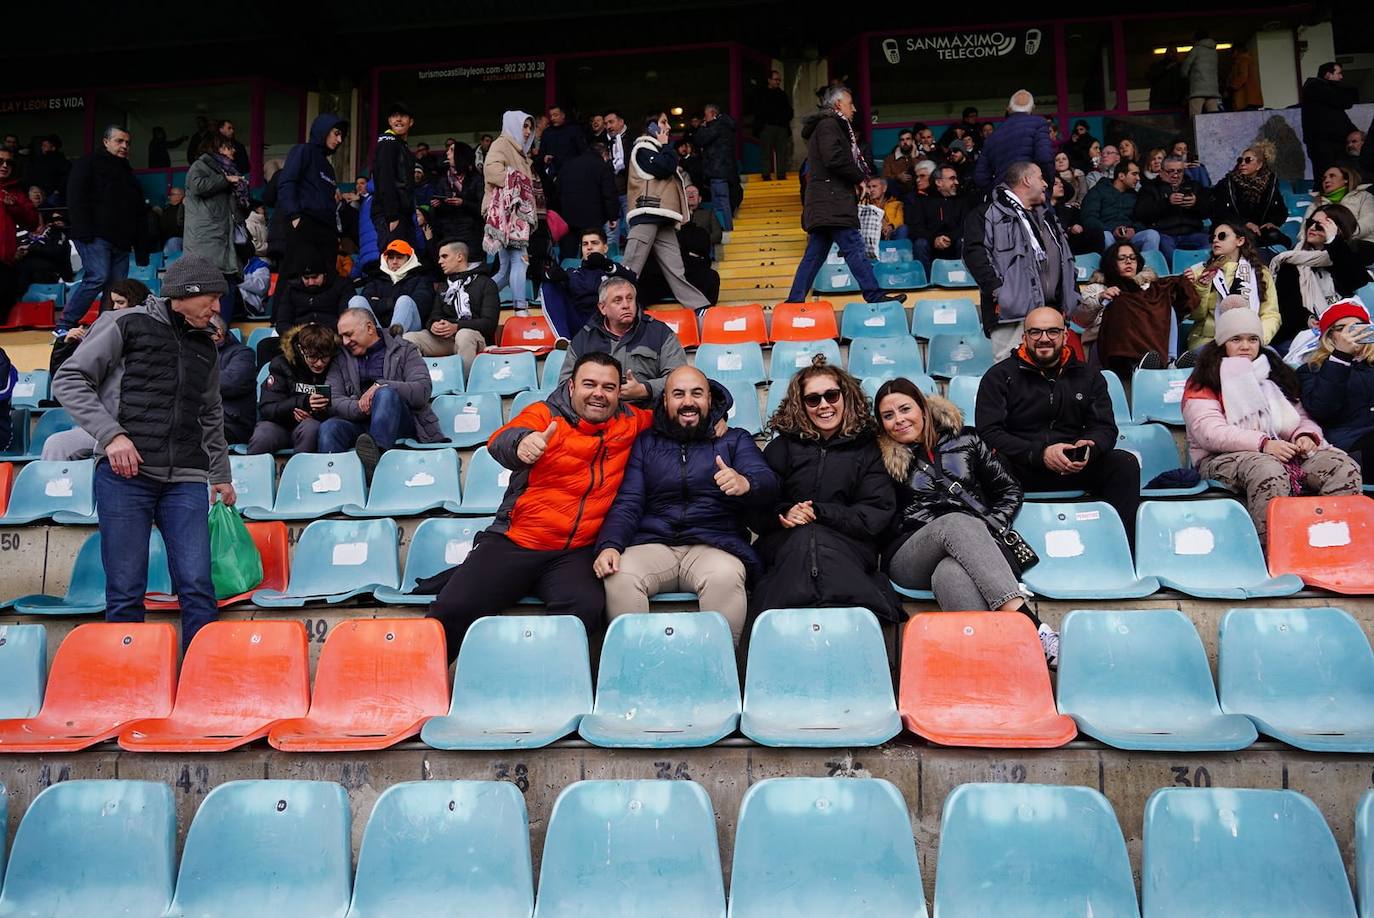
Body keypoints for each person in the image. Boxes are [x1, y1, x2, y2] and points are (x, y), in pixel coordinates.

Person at [52, 255, 236, 651]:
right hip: (125, 477)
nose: (217, 308)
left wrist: (221, 474)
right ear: (185, 295)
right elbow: (68, 379)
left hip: (185, 477)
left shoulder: (206, 345)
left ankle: (201, 681)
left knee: (198, 587)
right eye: (212, 298)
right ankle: (128, 682)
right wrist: (111, 435)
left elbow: (210, 413)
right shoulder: (125, 322)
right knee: (125, 590)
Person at [427, 352, 655, 659]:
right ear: (571, 387)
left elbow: (681, 407)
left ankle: (552, 686)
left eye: (608, 387)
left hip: (576, 551)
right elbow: (501, 440)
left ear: (618, 393)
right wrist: (522, 443)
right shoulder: (545, 414)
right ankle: (414, 687)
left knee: (585, 608)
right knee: (453, 608)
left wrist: (717, 416)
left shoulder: (630, 421)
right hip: (517, 540)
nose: (598, 393)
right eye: (589, 384)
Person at [875, 378, 1060, 664]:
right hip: (911, 554)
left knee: (951, 574)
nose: (898, 420)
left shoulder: (967, 439)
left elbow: (1009, 490)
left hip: (972, 547)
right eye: (888, 416)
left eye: (904, 409)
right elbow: (879, 512)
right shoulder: (881, 459)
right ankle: (1028, 626)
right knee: (955, 522)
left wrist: (983, 528)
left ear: (923, 408)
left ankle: (989, 670)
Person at [594, 366, 779, 642]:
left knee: (725, 576)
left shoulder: (734, 439)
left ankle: (719, 669)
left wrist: (745, 483)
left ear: (709, 400)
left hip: (714, 543)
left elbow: (768, 481)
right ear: (665, 401)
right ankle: (636, 670)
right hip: (653, 544)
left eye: (697, 393)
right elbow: (629, 502)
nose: (688, 402)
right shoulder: (646, 443)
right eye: (678, 394)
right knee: (619, 576)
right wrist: (609, 544)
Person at [1183, 298, 1360, 542]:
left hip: (1284, 451)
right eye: (1237, 339)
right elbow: (1210, 432)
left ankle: (1334, 543)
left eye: (1252, 339)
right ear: (1223, 343)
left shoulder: (1275, 373)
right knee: (1268, 470)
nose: (1246, 346)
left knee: (1342, 467)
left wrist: (1305, 436)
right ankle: (1277, 549)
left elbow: (1301, 417)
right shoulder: (1204, 380)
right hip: (1221, 458)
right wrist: (1264, 444)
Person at [749, 357, 904, 620]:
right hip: (788, 545)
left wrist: (820, 512)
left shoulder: (868, 449)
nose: (824, 405)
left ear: (846, 396)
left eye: (831, 395)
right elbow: (757, 509)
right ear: (801, 405)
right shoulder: (781, 447)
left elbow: (875, 514)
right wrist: (785, 514)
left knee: (824, 552)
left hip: (848, 546)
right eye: (813, 399)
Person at [976, 307, 1141, 545]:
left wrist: (1090, 448)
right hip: (1023, 467)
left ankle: (1121, 549)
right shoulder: (999, 377)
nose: (1044, 338)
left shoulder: (1090, 376)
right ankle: (1000, 547)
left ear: (1065, 335)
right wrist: (1040, 454)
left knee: (1123, 463)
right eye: (1035, 332)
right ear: (1024, 337)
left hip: (1074, 466)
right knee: (991, 465)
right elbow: (990, 432)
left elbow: (1105, 428)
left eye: (1053, 331)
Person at [784, 87, 905, 308]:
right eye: (851, 103)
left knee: (814, 256)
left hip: (825, 202)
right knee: (854, 248)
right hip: (832, 201)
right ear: (838, 104)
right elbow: (834, 158)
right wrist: (859, 178)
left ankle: (793, 302)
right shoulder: (830, 125)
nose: (855, 109)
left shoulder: (826, 126)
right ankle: (874, 294)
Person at [964, 161, 1080, 360]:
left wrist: (1071, 293)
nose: (1045, 184)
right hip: (1012, 315)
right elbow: (975, 255)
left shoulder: (1047, 217)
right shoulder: (986, 213)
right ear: (1026, 180)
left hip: (1051, 314)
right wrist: (1000, 292)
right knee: (1012, 378)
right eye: (1041, 178)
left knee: (1053, 382)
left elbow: (1065, 261)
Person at [320, 307, 442, 476]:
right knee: (329, 427)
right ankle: (334, 482)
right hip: (359, 422)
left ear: (369, 328)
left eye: (349, 334)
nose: (345, 341)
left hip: (400, 422)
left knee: (385, 394)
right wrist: (361, 407)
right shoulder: (341, 357)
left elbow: (422, 390)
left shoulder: (404, 349)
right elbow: (332, 398)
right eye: (342, 337)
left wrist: (380, 386)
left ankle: (376, 468)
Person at [60, 126, 152, 335]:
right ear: (105, 141)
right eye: (119, 141)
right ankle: (64, 325)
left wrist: (141, 250)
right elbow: (75, 197)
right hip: (94, 236)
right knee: (98, 277)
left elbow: (138, 213)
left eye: (127, 143)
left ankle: (106, 330)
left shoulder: (128, 175)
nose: (124, 146)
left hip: (122, 241)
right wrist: (83, 231)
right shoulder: (87, 164)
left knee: (117, 289)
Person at [621, 112, 711, 313]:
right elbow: (664, 167)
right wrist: (665, 144)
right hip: (647, 214)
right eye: (663, 123)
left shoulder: (657, 149)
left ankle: (699, 307)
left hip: (663, 217)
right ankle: (610, 313)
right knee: (629, 269)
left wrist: (664, 146)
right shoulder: (643, 147)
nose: (668, 127)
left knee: (675, 268)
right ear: (651, 127)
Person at [558, 275, 687, 407]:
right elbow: (565, 385)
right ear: (603, 308)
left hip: (648, 415)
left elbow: (680, 379)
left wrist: (645, 389)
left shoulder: (660, 333)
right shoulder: (584, 338)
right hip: (598, 416)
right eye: (617, 300)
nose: (626, 305)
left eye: (630, 299)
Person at [1075, 240, 1199, 375]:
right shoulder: (1097, 288)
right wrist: (1101, 297)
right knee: (1121, 305)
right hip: (1105, 348)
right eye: (1122, 258)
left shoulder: (1148, 289)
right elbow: (1080, 319)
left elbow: (1180, 315)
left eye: (1133, 258)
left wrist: (1188, 285)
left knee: (1166, 306)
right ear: (1111, 262)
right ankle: (1138, 364)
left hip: (1150, 346)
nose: (1129, 262)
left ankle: (1170, 362)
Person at [1273, 205, 1371, 361]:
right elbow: (1287, 306)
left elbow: (1357, 280)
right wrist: (1310, 319)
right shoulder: (1291, 261)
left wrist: (1333, 242)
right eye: (1310, 222)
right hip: (1306, 332)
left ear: (1337, 230)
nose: (1312, 227)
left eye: (1320, 225)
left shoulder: (1344, 258)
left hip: (1344, 329)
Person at [1298, 300, 1374, 483]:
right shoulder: (1310, 370)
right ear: (1329, 336)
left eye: (1357, 327)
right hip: (1349, 445)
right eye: (1342, 328)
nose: (1351, 333)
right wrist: (1341, 358)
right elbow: (1322, 409)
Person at [1182, 223, 1280, 355]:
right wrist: (1202, 287)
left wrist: (1258, 339)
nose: (1216, 240)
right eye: (1213, 237)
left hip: (1250, 342)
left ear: (1240, 241)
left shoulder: (1260, 272)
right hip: (1209, 341)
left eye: (1222, 236)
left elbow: (1270, 314)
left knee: (1273, 360)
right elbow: (1196, 315)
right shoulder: (1200, 271)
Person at [403, 239, 499, 370]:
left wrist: (457, 326)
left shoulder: (486, 283)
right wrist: (434, 325)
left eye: (444, 256)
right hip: (446, 340)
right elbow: (433, 316)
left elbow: (489, 324)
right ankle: (422, 383)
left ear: (459, 256)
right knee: (409, 338)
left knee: (463, 334)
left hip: (475, 339)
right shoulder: (444, 286)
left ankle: (466, 386)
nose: (440, 261)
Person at [185, 133, 249, 325]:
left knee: (226, 285)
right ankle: (210, 330)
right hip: (206, 241)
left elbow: (237, 211)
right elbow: (197, 186)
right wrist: (226, 180)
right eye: (229, 147)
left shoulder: (228, 171)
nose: (234, 150)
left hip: (225, 241)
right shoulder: (201, 166)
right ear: (217, 148)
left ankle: (222, 330)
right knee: (212, 286)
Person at [277, 114, 348, 279]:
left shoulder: (329, 168)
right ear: (323, 130)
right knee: (297, 279)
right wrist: (295, 216)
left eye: (342, 136)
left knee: (325, 281)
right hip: (305, 225)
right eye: (336, 133)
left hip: (326, 232)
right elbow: (287, 183)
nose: (339, 140)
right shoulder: (302, 151)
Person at [248, 322, 336, 455]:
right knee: (263, 434)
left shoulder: (337, 364)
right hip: (279, 425)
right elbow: (267, 408)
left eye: (324, 357)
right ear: (301, 349)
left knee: (311, 427)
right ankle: (251, 474)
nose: (319, 363)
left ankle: (301, 474)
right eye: (312, 357)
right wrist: (302, 403)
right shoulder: (281, 364)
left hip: (312, 426)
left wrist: (316, 414)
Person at [482, 110, 536, 316]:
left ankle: (475, 301)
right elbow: (492, 172)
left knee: (505, 272)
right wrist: (520, 183)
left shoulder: (518, 150)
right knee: (520, 261)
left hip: (512, 215)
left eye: (530, 127)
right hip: (506, 215)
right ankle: (520, 310)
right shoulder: (502, 144)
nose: (528, 131)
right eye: (524, 126)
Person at [541, 226, 639, 338]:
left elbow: (634, 280)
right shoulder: (572, 273)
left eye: (594, 243)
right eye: (585, 244)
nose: (589, 247)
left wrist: (606, 264)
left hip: (609, 324)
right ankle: (563, 340)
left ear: (605, 247)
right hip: (580, 326)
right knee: (549, 284)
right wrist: (549, 275)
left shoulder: (613, 269)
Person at [1210, 144, 1291, 250]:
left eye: (1248, 160)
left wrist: (1273, 222)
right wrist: (1245, 224)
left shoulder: (1270, 184)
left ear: (1259, 165)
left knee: (1277, 237)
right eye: (1240, 160)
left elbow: (1281, 211)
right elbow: (1221, 214)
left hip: (1260, 231)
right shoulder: (1227, 184)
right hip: (1234, 229)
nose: (1242, 164)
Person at [974, 90, 1054, 193]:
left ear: (1009, 108)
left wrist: (996, 191)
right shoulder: (1038, 123)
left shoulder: (993, 136)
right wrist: (1047, 187)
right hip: (1031, 193)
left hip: (1004, 197)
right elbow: (1045, 158)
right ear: (1033, 108)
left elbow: (980, 177)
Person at [1135, 155, 1211, 261]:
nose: (1175, 175)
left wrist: (1196, 203)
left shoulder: (1194, 186)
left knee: (1209, 243)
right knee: (1168, 251)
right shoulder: (1150, 188)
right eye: (1170, 171)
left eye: (1179, 171)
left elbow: (1209, 211)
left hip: (1192, 232)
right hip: (1165, 233)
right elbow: (1141, 214)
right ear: (1161, 172)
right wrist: (1167, 203)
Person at [1081, 158, 1160, 254]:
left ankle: (1148, 268)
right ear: (1121, 176)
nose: (1138, 178)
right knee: (1105, 236)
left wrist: (1134, 230)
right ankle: (1112, 267)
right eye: (1134, 174)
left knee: (1152, 235)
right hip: (1108, 235)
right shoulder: (1098, 191)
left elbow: (1142, 219)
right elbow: (1089, 218)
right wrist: (1113, 230)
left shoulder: (1135, 195)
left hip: (1130, 238)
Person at [352, 239, 432, 332]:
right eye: (391, 258)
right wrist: (391, 303)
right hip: (378, 329)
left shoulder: (421, 279)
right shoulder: (377, 279)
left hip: (411, 327)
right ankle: (381, 340)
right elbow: (366, 300)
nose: (394, 262)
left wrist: (381, 303)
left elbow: (420, 307)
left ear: (409, 259)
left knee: (404, 300)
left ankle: (393, 342)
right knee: (356, 300)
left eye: (399, 257)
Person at [554, 143, 619, 259]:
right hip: (593, 219)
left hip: (568, 219)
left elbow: (556, 191)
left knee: (568, 256)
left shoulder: (568, 165)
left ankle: (567, 274)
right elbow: (609, 193)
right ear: (604, 154)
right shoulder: (602, 166)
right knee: (593, 255)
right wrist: (612, 216)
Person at [1302, 165, 1374, 263]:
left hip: (1360, 243)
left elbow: (1370, 222)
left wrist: (1340, 235)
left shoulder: (1363, 196)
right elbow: (1304, 230)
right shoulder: (1316, 204)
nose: (1326, 180)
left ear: (1346, 179)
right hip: (1323, 246)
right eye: (1324, 178)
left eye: (1332, 176)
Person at [371, 102, 418, 254]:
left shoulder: (400, 145)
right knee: (394, 263)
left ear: (411, 122)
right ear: (389, 122)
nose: (398, 119)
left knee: (405, 263)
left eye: (403, 116)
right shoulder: (388, 143)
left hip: (400, 214)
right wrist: (392, 216)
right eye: (394, 116)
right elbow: (385, 180)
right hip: (391, 214)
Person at [1301, 62, 1359, 179]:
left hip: (1330, 144)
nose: (1341, 77)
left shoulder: (1325, 93)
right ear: (1328, 75)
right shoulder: (1315, 87)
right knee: (1327, 177)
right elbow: (1343, 100)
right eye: (1339, 74)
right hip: (1324, 146)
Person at [0, 147, 38, 321]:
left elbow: (32, 221)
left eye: (9, 162)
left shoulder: (16, 192)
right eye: (0, 161)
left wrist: (14, 207)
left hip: (5, 263)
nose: (5, 165)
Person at [908, 164, 968, 271]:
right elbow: (916, 229)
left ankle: (963, 280)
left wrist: (950, 238)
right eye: (952, 179)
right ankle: (924, 284)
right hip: (931, 244)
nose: (956, 182)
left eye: (956, 179)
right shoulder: (922, 201)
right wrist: (934, 239)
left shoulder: (962, 200)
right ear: (938, 182)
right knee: (920, 244)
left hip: (954, 243)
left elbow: (966, 225)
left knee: (964, 242)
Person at [429, 141, 484, 257]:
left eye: (452, 150)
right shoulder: (443, 180)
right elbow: (437, 211)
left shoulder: (476, 179)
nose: (447, 153)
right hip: (449, 234)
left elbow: (482, 208)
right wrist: (438, 205)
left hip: (471, 234)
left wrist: (463, 203)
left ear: (461, 155)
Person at [269, 263, 352, 338]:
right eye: (306, 278)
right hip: (298, 337)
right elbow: (282, 322)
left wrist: (319, 331)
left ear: (324, 274)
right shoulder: (292, 289)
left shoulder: (341, 286)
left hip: (331, 336)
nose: (311, 282)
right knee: (265, 346)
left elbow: (346, 319)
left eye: (315, 277)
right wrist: (303, 333)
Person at [208, 314, 255, 444]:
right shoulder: (196, 352)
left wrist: (196, 376)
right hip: (203, 419)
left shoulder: (243, 353)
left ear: (218, 333)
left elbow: (232, 383)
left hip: (232, 424)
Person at [694, 104, 738, 233]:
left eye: (706, 115)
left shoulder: (716, 126)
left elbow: (700, 140)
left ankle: (725, 229)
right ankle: (725, 227)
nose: (704, 119)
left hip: (717, 169)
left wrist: (701, 128)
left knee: (720, 201)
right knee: (722, 200)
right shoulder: (726, 125)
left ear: (712, 114)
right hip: (725, 170)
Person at [757, 70, 794, 182]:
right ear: (769, 80)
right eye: (776, 79)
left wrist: (784, 120)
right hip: (767, 127)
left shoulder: (782, 94)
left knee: (782, 152)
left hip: (781, 127)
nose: (778, 82)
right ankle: (766, 175)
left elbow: (789, 111)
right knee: (766, 152)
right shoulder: (761, 93)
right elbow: (758, 110)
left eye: (779, 80)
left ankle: (781, 175)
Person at [1181, 31, 1221, 116]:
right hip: (1213, 91)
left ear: (1196, 39)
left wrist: (1184, 77)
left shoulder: (1196, 50)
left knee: (1195, 118)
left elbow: (1185, 68)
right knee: (1214, 118)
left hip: (1197, 91)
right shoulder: (1214, 52)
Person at [882, 129, 919, 193]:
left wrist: (913, 157)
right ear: (899, 143)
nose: (905, 142)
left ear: (913, 141)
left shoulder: (921, 157)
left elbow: (921, 174)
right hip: (896, 192)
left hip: (917, 192)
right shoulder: (889, 159)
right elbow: (884, 178)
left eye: (908, 139)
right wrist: (897, 177)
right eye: (902, 140)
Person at [158, 186, 185, 257]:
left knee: (173, 242)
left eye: (172, 194)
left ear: (180, 196)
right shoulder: (167, 209)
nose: (169, 197)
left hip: (177, 239)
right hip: (166, 240)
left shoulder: (186, 209)